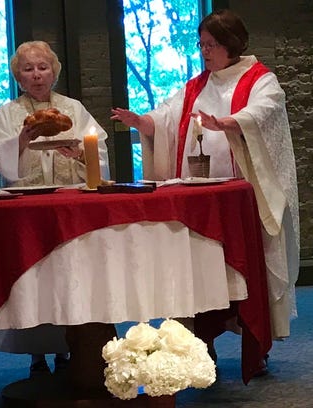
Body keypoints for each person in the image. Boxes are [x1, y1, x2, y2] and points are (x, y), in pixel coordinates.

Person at [111, 9, 299, 375]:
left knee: (244, 268)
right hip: (201, 201)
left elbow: (265, 111)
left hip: (242, 198)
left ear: (231, 44)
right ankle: (202, 344)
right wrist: (144, 123)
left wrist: (230, 122)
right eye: (201, 45)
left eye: (211, 45)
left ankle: (254, 342)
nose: (205, 52)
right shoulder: (197, 85)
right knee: (201, 270)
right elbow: (167, 116)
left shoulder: (260, 79)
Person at [0, 40, 110, 376]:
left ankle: (69, 348)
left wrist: (80, 153)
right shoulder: (8, 114)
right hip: (29, 207)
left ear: (54, 71)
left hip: (69, 206)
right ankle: (36, 355)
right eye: (28, 69)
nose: (37, 75)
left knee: (69, 277)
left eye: (43, 67)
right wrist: (23, 139)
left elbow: (97, 148)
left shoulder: (73, 108)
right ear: (18, 76)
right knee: (35, 277)